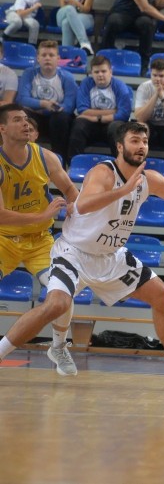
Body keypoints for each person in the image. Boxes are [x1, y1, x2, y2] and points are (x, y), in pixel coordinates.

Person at [0, 121, 164, 391]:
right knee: (56, 305)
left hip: (111, 257)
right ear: (119, 146)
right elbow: (84, 204)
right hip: (74, 253)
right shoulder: (103, 172)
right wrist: (123, 191)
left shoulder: (149, 179)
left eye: (145, 141)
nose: (141, 146)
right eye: (135, 141)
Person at [0, 104, 79, 375]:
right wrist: (42, 213)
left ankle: (58, 346)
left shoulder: (45, 157)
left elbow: (70, 189)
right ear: (2, 129)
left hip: (40, 241)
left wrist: (73, 207)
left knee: (64, 294)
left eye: (26, 119)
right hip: (4, 239)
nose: (25, 123)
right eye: (17, 120)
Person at [16, 41, 76, 163]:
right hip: (36, 117)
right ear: (38, 58)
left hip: (57, 120)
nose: (47, 58)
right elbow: (22, 98)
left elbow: (69, 106)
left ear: (58, 58)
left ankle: (60, 161)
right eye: (44, 55)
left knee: (60, 118)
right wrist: (44, 104)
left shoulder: (67, 77)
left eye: (51, 55)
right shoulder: (29, 73)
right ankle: (24, 159)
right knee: (24, 115)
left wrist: (48, 108)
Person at [68, 55, 133, 160]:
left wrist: (97, 118)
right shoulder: (86, 84)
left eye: (103, 71)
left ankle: (121, 165)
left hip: (111, 124)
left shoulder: (120, 86)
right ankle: (74, 163)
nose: (100, 75)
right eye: (96, 72)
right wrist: (113, 111)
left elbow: (124, 114)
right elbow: (82, 109)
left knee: (116, 127)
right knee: (78, 125)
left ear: (110, 72)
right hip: (91, 125)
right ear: (91, 73)